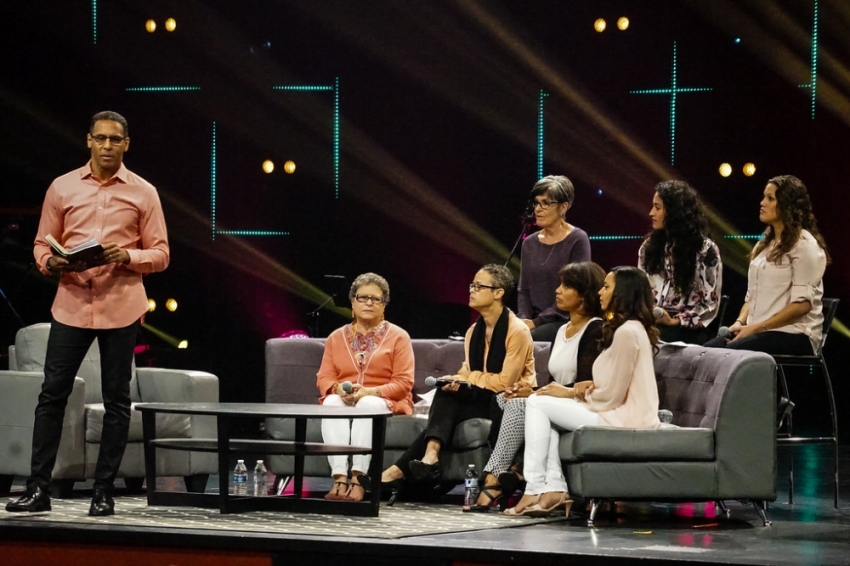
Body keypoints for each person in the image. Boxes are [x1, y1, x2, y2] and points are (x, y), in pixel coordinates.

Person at [5, 111, 169, 517]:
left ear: (126, 144)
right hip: (72, 304)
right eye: (101, 139)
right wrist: (51, 262)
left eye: (116, 140)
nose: (108, 146)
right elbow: (43, 245)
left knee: (117, 401)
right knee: (51, 395)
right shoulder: (62, 187)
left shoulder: (143, 192)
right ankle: (38, 487)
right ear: (89, 141)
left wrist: (127, 255)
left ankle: (103, 492)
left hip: (121, 305)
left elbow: (161, 254)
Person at [504, 266, 660, 517]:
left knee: (536, 402)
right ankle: (554, 488)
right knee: (545, 409)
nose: (601, 291)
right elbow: (612, 386)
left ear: (623, 293)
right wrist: (591, 387)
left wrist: (574, 394)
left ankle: (533, 488)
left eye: (607, 287)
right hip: (615, 411)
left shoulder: (628, 332)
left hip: (624, 419)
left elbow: (612, 397)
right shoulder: (625, 329)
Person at [465, 262, 605, 512]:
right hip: (559, 402)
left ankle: (499, 479)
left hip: (584, 403)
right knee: (505, 398)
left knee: (521, 404)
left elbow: (586, 383)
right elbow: (555, 381)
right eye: (559, 285)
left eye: (566, 286)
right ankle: (528, 480)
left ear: (584, 294)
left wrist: (537, 394)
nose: (558, 291)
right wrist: (530, 390)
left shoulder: (595, 329)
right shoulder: (562, 330)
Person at [380, 264, 535, 489]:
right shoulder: (474, 331)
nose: (471, 290)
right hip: (480, 396)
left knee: (452, 405)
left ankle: (398, 470)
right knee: (446, 393)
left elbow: (504, 383)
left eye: (479, 286)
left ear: (498, 293)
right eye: (472, 285)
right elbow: (466, 371)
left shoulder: (517, 331)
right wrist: (459, 380)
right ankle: (429, 457)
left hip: (506, 402)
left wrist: (469, 378)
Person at [704, 175, 829, 355]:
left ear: (787, 205)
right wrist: (741, 322)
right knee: (705, 353)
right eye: (764, 197)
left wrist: (756, 328)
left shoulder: (804, 245)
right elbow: (751, 298)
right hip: (759, 330)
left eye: (770, 198)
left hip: (795, 334)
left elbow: (802, 306)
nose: (762, 203)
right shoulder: (764, 245)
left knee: (727, 355)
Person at [317, 273, 414, 502]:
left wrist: (370, 391)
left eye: (376, 299)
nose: (369, 303)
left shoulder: (399, 337)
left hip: (383, 400)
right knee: (331, 401)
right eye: (363, 298)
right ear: (352, 302)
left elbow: (404, 383)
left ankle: (359, 479)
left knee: (367, 403)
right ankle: (339, 477)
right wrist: (338, 389)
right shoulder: (335, 337)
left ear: (384, 305)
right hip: (347, 398)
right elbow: (324, 378)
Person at [638, 180, 722, 344]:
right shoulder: (648, 248)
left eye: (657, 207)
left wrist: (674, 321)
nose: (651, 213)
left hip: (686, 329)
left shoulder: (705, 250)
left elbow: (709, 306)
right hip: (652, 322)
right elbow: (641, 290)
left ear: (674, 211)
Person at [517, 176, 592, 342]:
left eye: (545, 203)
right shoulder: (529, 243)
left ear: (563, 207)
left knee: (526, 338)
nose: (538, 209)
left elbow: (575, 291)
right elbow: (523, 289)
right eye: (536, 203)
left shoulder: (577, 239)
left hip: (564, 318)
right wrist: (523, 319)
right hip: (533, 320)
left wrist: (536, 323)